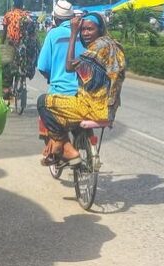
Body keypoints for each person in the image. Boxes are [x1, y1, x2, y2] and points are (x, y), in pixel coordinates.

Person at [37, 13, 126, 165]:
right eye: (82, 30)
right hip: (108, 108)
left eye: (90, 29)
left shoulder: (97, 48)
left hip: (92, 108)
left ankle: (62, 145)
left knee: (42, 102)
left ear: (99, 29)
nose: (85, 33)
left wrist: (73, 34)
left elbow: (69, 66)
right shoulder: (112, 44)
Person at [36, 0, 85, 96]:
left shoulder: (53, 34)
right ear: (72, 17)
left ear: (56, 19)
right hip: (83, 93)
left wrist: (53, 78)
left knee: (41, 102)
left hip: (59, 93)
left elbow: (42, 67)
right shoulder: (85, 33)